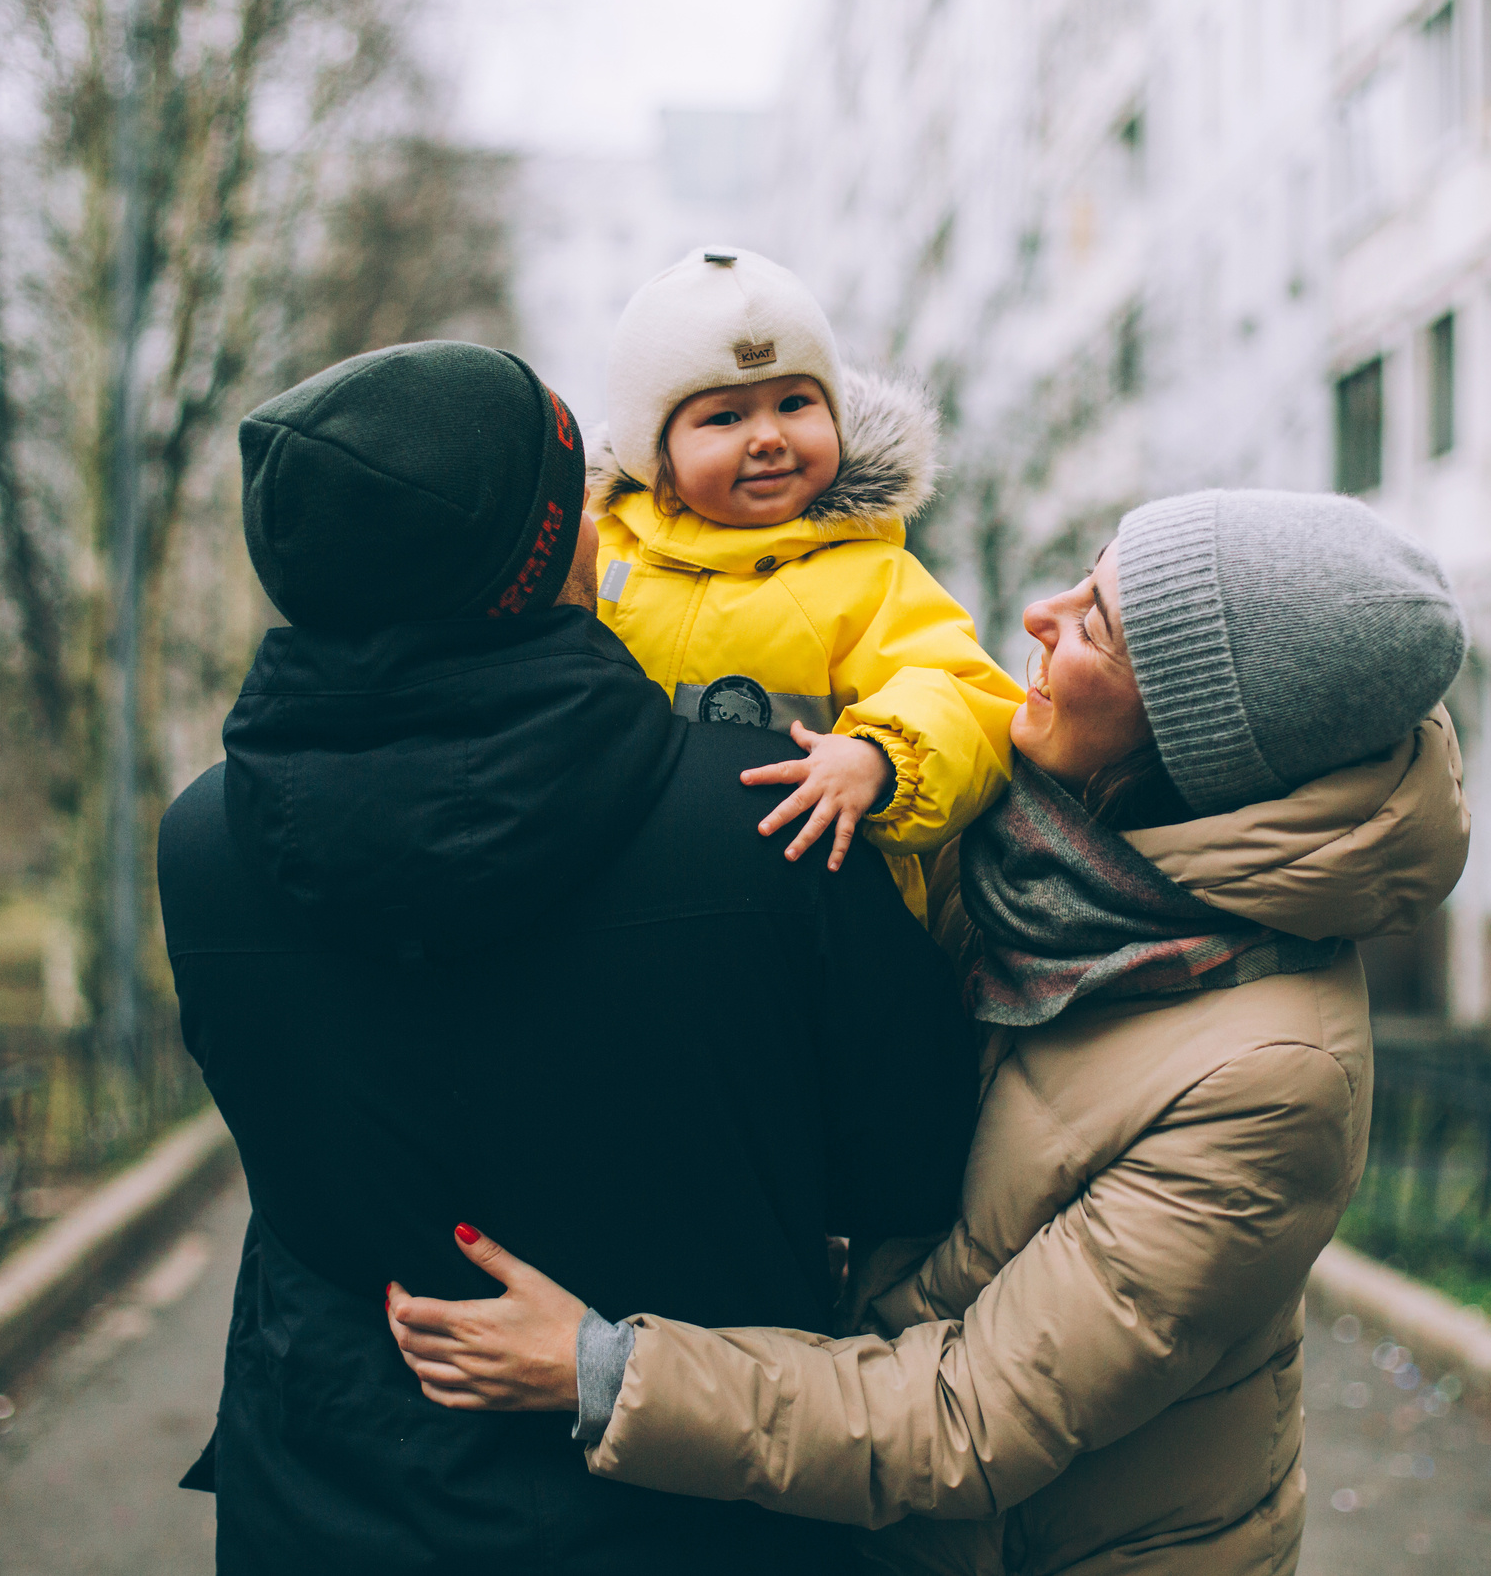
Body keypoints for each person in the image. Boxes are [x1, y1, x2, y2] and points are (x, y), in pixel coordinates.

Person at [385, 487, 1473, 1575]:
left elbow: (967, 1419)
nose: (1042, 614)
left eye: (1097, 626)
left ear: (1196, 747)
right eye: (1084, 576)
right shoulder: (1018, 843)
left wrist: (604, 1370)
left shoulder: (1270, 1078)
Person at [158, 339, 979, 1575]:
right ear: (545, 555)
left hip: (326, 1498)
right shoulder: (769, 818)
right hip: (697, 1512)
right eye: (573, 498)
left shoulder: (202, 844)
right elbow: (912, 1170)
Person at [589, 246, 1022, 917]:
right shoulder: (598, 551)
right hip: (618, 905)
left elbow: (969, 698)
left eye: (795, 403)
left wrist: (879, 759)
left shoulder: (866, 573)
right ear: (655, 450)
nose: (768, 436)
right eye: (725, 416)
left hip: (813, 914)